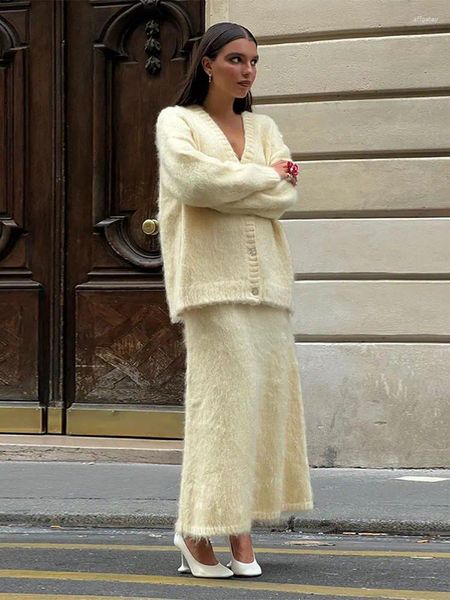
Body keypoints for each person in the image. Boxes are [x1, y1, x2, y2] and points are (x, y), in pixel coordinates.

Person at [154, 21, 314, 579]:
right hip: (210, 284)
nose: (247, 71)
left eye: (253, 61)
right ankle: (197, 530)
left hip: (269, 285)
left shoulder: (265, 125)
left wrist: (248, 185)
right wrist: (261, 178)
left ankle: (240, 526)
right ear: (208, 63)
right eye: (236, 60)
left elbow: (286, 194)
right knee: (220, 412)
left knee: (262, 410)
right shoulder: (177, 122)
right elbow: (193, 183)